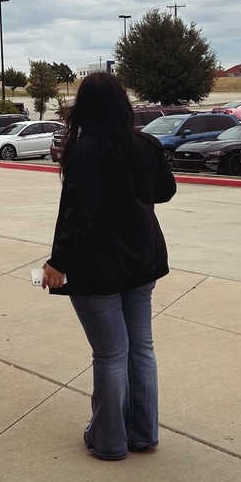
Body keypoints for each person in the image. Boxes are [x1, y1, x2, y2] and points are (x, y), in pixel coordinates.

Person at [42, 72, 177, 460]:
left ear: (84, 108)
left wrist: (58, 262)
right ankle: (142, 433)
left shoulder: (85, 149)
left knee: (112, 354)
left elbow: (79, 214)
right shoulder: (146, 144)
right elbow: (165, 191)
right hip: (142, 260)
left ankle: (110, 441)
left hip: (98, 269)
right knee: (141, 349)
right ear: (122, 105)